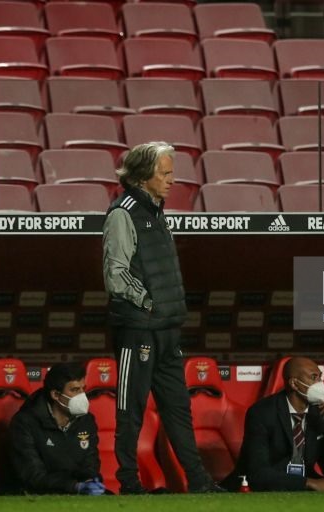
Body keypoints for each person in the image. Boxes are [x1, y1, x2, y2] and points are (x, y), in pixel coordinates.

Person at [102, 142, 221, 494]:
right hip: (138, 328)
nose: (172, 179)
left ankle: (199, 482)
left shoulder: (156, 211)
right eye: (165, 173)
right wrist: (147, 302)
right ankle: (129, 483)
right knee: (131, 409)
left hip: (167, 328)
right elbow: (115, 274)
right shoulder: (123, 213)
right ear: (142, 176)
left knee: (178, 409)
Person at [224, 357, 324, 492]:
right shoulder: (262, 412)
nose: (320, 383)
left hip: (305, 479)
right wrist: (307, 483)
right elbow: (258, 472)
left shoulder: (321, 412)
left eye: (320, 377)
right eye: (314, 377)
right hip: (269, 483)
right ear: (294, 384)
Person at [9, 363, 105, 495]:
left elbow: (91, 464)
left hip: (74, 491)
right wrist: (75, 487)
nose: (82, 396)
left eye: (83, 389)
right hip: (33, 495)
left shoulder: (86, 420)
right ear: (55, 394)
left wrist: (90, 481)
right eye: (75, 390)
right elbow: (33, 475)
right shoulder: (25, 423)